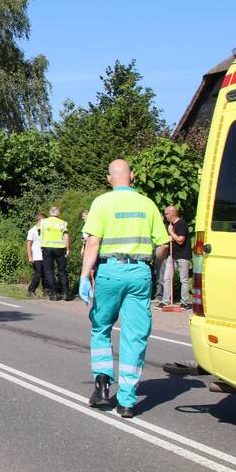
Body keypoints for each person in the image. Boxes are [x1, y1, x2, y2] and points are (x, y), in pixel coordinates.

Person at [79, 159, 170, 418]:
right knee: (135, 335)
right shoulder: (147, 204)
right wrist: (153, 266)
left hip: (109, 272)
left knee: (101, 327)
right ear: (132, 176)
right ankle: (128, 401)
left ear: (109, 179)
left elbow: (94, 242)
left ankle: (103, 384)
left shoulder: (102, 203)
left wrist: (85, 276)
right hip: (140, 273)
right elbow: (163, 245)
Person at [161, 205, 192, 307]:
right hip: (172, 255)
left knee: (184, 280)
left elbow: (180, 240)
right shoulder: (171, 225)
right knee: (167, 278)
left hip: (183, 255)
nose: (165, 216)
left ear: (172, 213)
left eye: (166, 214)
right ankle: (165, 301)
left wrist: (170, 232)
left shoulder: (181, 224)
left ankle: (185, 302)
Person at [39, 207, 70, 300]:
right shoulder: (62, 223)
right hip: (59, 249)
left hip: (47, 248)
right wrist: (68, 249)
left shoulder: (44, 222)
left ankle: (53, 294)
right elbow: (66, 236)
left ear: (50, 213)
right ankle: (65, 294)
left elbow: (40, 234)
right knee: (62, 271)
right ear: (58, 213)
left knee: (49, 271)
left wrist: (41, 247)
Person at [25, 213, 46, 298]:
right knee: (38, 273)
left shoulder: (45, 230)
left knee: (45, 274)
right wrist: (30, 256)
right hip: (36, 256)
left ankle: (46, 291)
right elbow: (29, 245)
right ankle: (31, 290)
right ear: (40, 220)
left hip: (45, 256)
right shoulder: (32, 231)